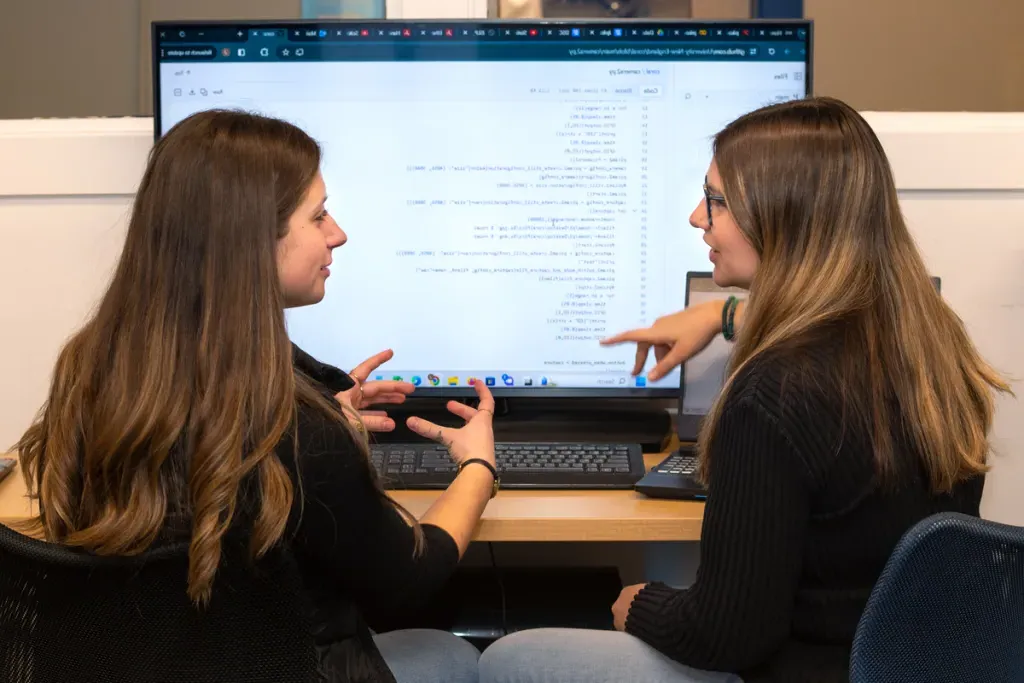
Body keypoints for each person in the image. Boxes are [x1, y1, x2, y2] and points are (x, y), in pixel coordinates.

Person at [477, 96, 1011, 683]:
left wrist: (642, 604)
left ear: (782, 214)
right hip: (896, 665)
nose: (696, 218)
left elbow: (727, 634)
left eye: (717, 201)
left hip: (794, 667)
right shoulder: (934, 346)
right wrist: (719, 316)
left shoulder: (773, 393)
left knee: (511, 659)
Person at [13, 110, 497, 683]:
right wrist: (478, 465)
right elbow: (407, 584)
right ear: (250, 243)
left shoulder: (91, 370)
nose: (337, 233)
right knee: (464, 656)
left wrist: (326, 407)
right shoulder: (295, 431)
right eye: (317, 216)